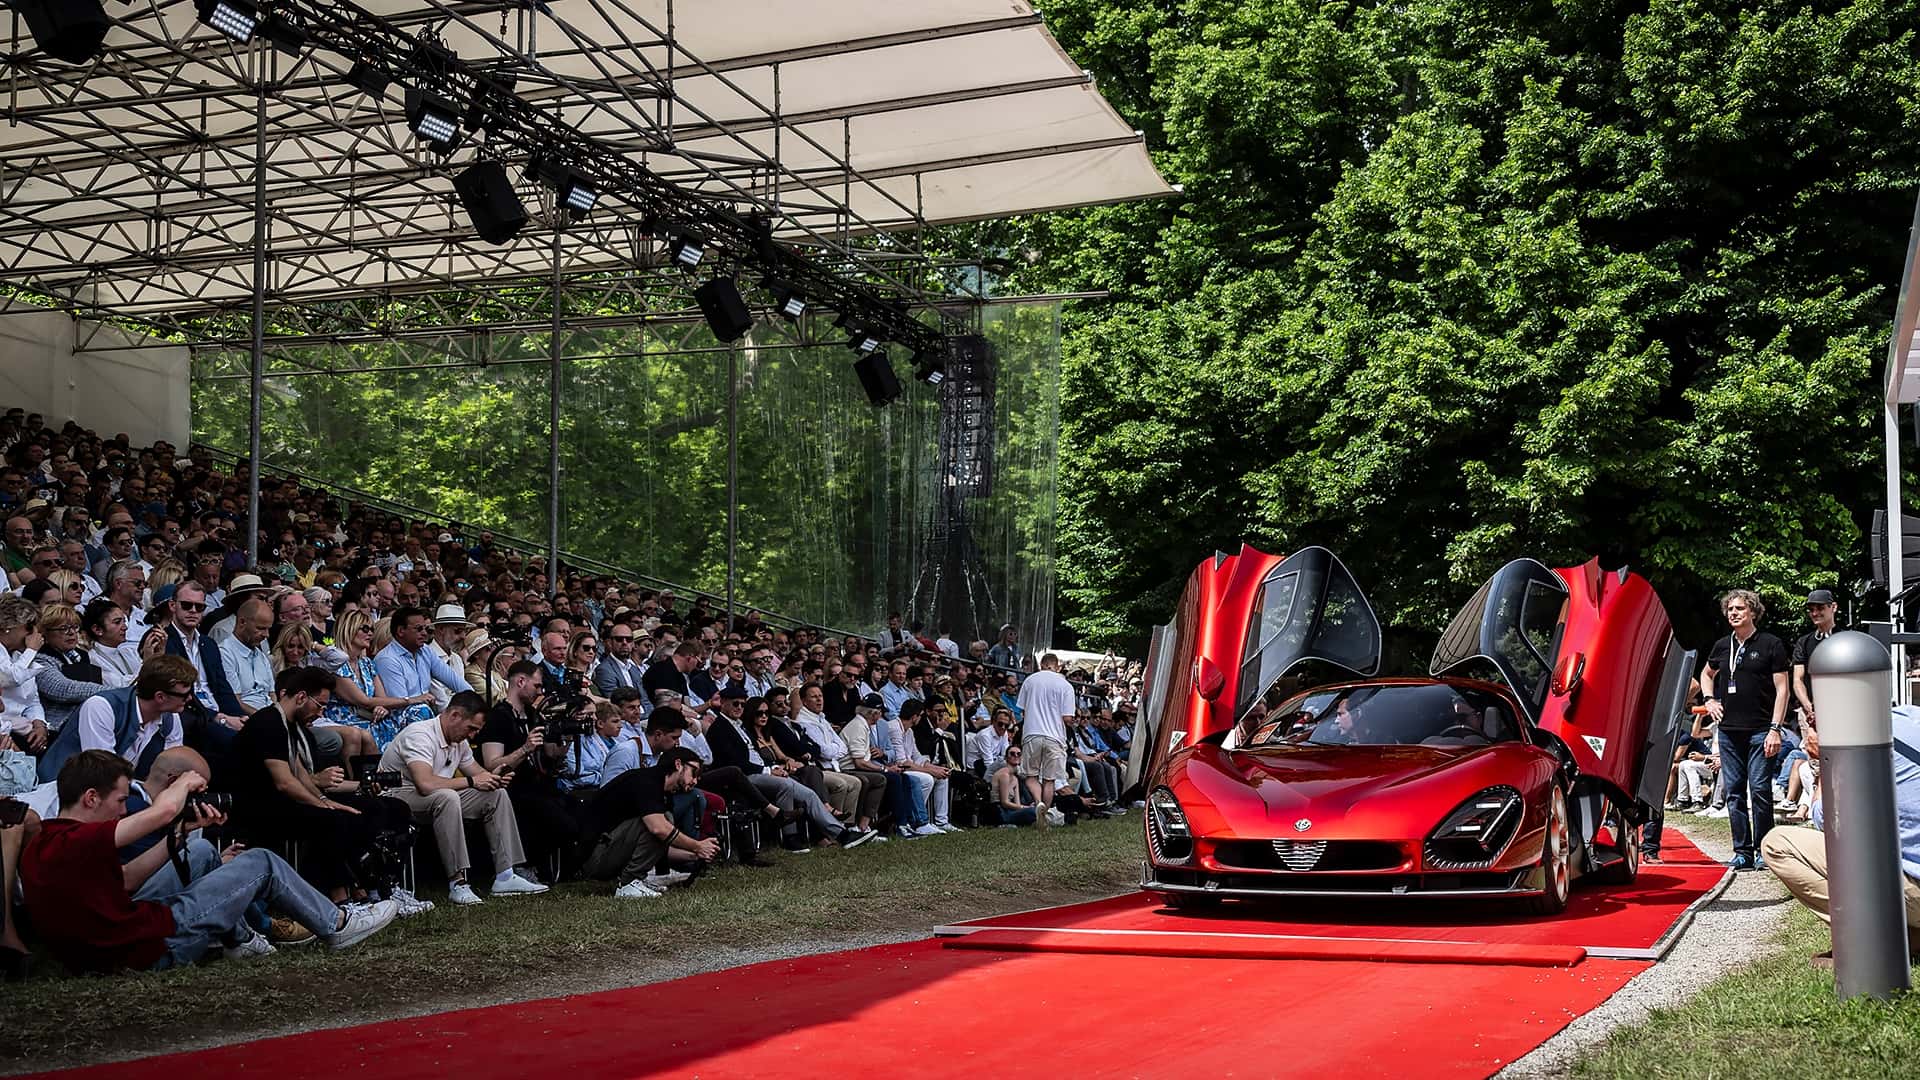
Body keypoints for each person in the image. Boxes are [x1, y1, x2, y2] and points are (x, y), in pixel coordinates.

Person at [19, 749, 397, 972]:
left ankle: (240, 939)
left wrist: (181, 835)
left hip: (109, 944)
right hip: (145, 946)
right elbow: (160, 813)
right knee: (261, 862)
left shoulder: (49, 840)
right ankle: (338, 923)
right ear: (89, 798)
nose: (122, 811)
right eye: (119, 800)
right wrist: (182, 784)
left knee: (198, 851)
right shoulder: (77, 839)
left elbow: (127, 880)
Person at [230, 666, 428, 913]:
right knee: (333, 819)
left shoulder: (293, 726)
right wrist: (324, 804)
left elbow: (301, 775)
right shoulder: (269, 722)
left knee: (382, 807)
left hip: (285, 799)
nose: (322, 712)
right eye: (320, 705)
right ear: (301, 697)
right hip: (258, 806)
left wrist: (324, 797)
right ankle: (341, 899)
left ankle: (379, 887)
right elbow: (284, 782)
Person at [1761, 709, 1920, 967]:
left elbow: (1825, 820)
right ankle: (1909, 934)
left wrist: (1826, 757)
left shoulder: (1859, 741)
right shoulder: (1909, 717)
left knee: (1777, 844)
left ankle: (1875, 941)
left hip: (1912, 888)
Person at [376, 691, 548, 905]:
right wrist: (472, 782)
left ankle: (506, 876)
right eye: (471, 728)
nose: (473, 735)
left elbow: (479, 775)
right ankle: (457, 883)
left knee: (495, 794)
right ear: (455, 715)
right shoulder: (419, 735)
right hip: (396, 797)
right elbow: (425, 783)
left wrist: (496, 777)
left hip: (432, 795)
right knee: (447, 798)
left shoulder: (459, 741)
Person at [1699, 589, 1791, 870]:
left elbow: (1782, 689)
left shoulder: (1771, 644)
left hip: (1761, 729)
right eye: (1730, 609)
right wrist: (1709, 699)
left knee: (1760, 789)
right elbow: (1706, 674)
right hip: (1728, 731)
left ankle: (1765, 849)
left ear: (1753, 611)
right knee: (1734, 792)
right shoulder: (1722, 646)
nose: (1734, 613)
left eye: (1739, 608)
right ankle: (1742, 852)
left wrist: (1775, 728)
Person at [477, 660, 588, 878]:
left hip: (539, 785)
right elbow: (491, 764)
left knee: (579, 811)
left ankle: (563, 867)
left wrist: (566, 732)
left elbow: (551, 753)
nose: (541, 691)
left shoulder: (532, 714)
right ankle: (525, 866)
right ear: (520, 681)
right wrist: (525, 749)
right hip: (513, 789)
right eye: (537, 686)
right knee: (557, 819)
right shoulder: (499, 717)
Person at [577, 747, 718, 899]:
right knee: (662, 822)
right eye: (694, 773)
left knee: (664, 821)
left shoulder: (664, 791)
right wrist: (698, 846)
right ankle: (628, 883)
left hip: (608, 850)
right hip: (593, 857)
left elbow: (658, 844)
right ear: (678, 764)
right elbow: (658, 829)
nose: (695, 781)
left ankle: (638, 879)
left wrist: (694, 855)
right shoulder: (646, 781)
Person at [38, 654, 194, 782]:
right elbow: (102, 771)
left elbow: (172, 768)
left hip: (117, 793)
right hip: (66, 789)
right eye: (184, 695)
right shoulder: (101, 706)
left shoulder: (171, 717)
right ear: (160, 697)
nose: (190, 699)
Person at [372, 606, 472, 729]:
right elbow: (401, 705)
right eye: (419, 629)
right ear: (401, 631)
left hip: (426, 717)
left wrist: (474, 703)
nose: (424, 633)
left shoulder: (425, 651)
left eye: (425, 629)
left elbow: (456, 683)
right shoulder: (387, 659)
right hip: (400, 722)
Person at [1015, 653, 1076, 827]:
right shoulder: (1065, 685)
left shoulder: (1030, 681)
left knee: (1031, 776)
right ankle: (1046, 814)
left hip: (1032, 734)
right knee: (1050, 780)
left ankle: (1038, 802)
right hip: (1055, 737)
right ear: (1057, 666)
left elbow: (1023, 711)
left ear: (1041, 664)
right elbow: (1067, 717)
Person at [1791, 589, 1839, 729]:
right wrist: (1807, 705)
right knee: (1810, 750)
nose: (1815, 613)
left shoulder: (1846, 638)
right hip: (1809, 714)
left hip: (1840, 711)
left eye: (1820, 608)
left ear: (1833, 607)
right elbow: (1797, 679)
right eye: (1811, 609)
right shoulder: (1804, 642)